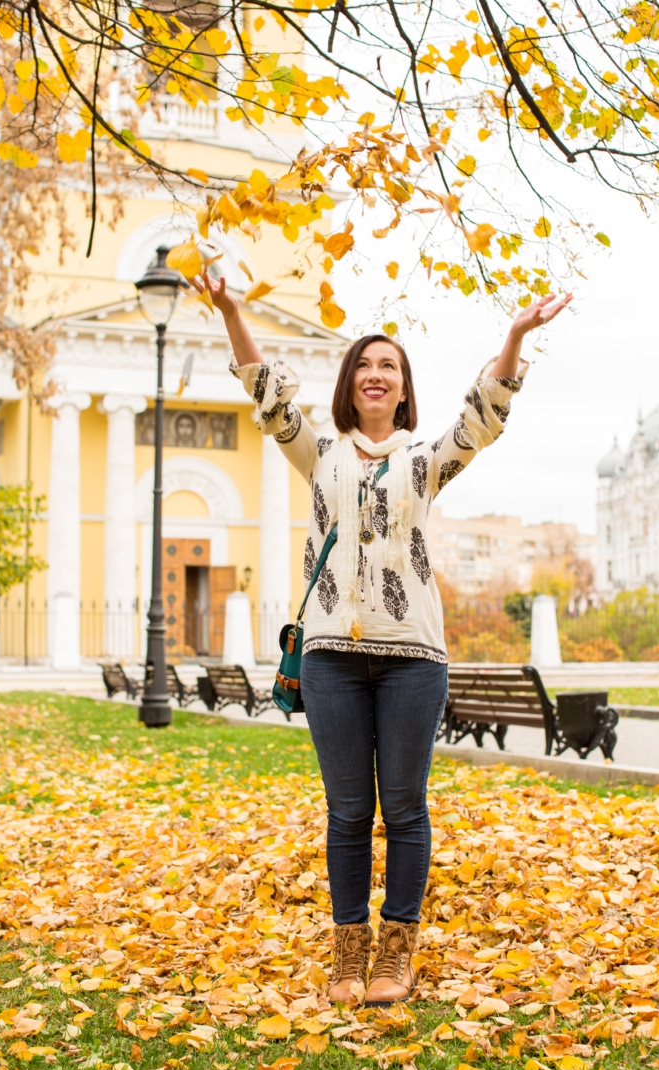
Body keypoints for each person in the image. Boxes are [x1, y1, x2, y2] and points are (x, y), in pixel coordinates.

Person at [192, 270, 571, 1006]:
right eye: (363, 365)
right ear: (349, 384)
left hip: (412, 661)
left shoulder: (424, 464)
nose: (374, 374)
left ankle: (397, 952)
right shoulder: (318, 454)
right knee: (345, 811)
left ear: (401, 390)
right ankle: (347, 953)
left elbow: (483, 416)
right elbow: (266, 392)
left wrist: (515, 336)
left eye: (387, 367)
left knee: (403, 807)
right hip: (331, 656)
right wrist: (234, 309)